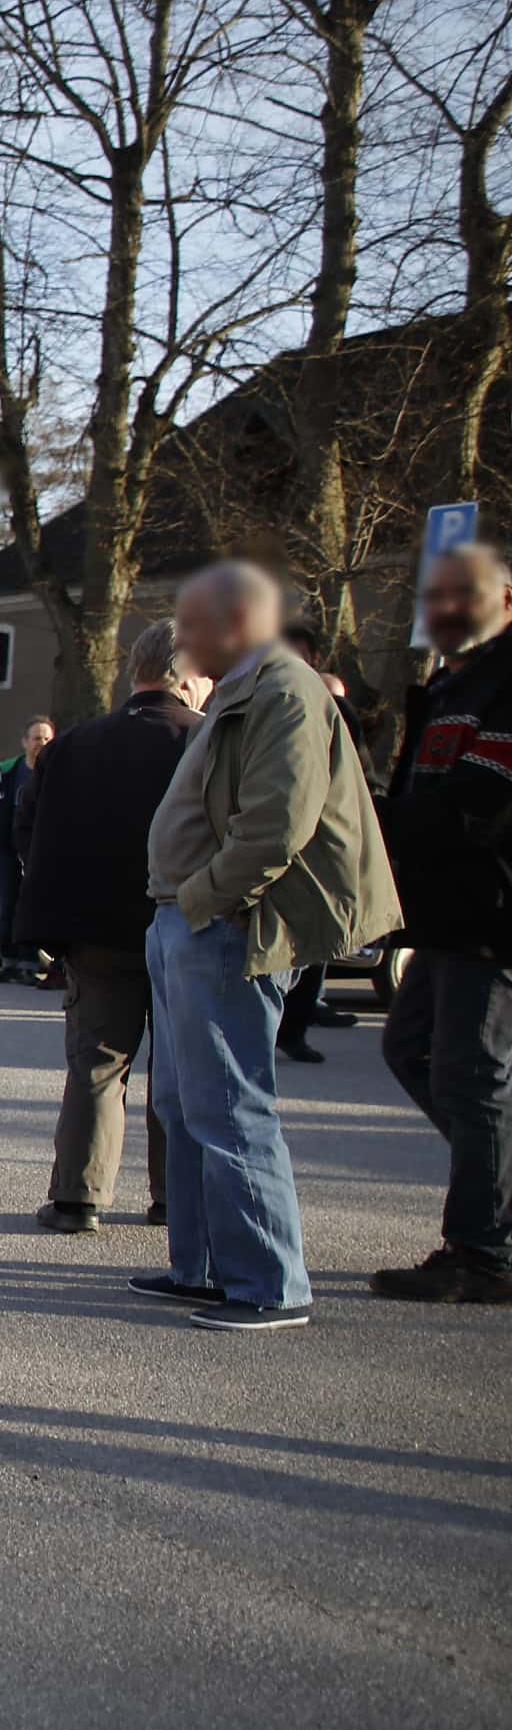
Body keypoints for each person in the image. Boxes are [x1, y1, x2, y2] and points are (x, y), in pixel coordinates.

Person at [137, 561, 403, 1333]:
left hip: (226, 925)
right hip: (185, 920)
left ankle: (267, 1284)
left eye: (192, 624)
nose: (181, 641)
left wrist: (199, 902)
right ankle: (202, 1267)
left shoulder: (286, 690)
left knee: (228, 1106)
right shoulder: (241, 689)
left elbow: (275, 828)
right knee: (182, 1103)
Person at [15, 622, 207, 1234]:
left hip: (95, 929)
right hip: (184, 921)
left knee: (97, 1065)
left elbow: (33, 833)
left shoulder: (75, 744)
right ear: (189, 676)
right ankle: (174, 1197)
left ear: (134, 671)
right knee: (177, 1067)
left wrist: (50, 921)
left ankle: (78, 1195)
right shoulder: (205, 741)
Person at [371, 540, 512, 1304]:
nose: (446, 609)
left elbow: (476, 804)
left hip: (494, 910)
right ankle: (496, 1202)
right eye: (437, 596)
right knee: (412, 1048)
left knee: (470, 1074)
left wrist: (367, 811)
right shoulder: (445, 687)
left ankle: (483, 1252)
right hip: (446, 914)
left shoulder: (504, 684)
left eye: (465, 593)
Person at [269, 621, 366, 1062]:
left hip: (318, 846)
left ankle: (294, 1028)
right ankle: (271, 1029)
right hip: (273, 844)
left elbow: (355, 781)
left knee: (313, 948)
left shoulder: (336, 713)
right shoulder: (262, 703)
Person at [0, 717, 55, 981]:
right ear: (25, 742)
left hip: (40, 855)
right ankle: (9, 963)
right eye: (36, 738)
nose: (41, 744)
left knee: (31, 910)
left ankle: (29, 964)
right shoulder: (9, 771)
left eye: (47, 739)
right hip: (10, 854)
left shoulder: (57, 770)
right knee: (8, 910)